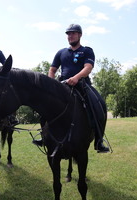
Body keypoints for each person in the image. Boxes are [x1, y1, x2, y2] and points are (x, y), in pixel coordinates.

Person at [33, 24, 110, 153]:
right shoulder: (61, 52)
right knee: (44, 106)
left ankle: (99, 141)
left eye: (73, 33)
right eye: (68, 34)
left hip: (82, 85)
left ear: (80, 35)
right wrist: (51, 82)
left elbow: (88, 68)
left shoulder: (87, 51)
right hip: (62, 86)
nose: (70, 36)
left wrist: (76, 77)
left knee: (100, 104)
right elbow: (52, 69)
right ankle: (43, 137)